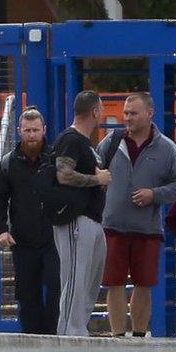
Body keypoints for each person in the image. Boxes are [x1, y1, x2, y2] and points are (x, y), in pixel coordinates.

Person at [99, 92, 176, 338]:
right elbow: (95, 170)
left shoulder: (167, 149)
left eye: (133, 113)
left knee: (143, 283)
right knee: (113, 282)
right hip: (112, 225)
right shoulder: (111, 142)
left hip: (147, 228)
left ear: (150, 114)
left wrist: (154, 194)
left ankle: (138, 335)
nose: (127, 118)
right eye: (126, 113)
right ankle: (118, 336)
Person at [0, 106, 60, 334]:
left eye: (35, 130)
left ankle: (53, 334)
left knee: (57, 287)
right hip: (23, 241)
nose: (31, 135)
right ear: (19, 130)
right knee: (27, 294)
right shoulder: (7, 165)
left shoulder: (56, 160)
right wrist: (0, 230)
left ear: (44, 130)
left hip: (54, 239)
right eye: (27, 130)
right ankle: (32, 336)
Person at [53, 90, 112, 336]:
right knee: (75, 280)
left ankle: (79, 328)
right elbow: (62, 174)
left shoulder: (84, 143)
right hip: (76, 221)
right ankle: (69, 333)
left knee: (89, 281)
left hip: (93, 220)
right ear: (95, 111)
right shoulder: (71, 139)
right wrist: (96, 179)